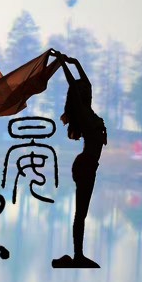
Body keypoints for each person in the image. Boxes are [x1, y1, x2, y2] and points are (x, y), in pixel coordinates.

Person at [49, 51, 106, 268]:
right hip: (85, 166)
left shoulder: (88, 110)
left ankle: (78, 255)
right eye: (81, 90)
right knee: (80, 213)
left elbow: (86, 83)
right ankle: (78, 255)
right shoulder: (81, 112)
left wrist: (76, 62)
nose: (85, 89)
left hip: (89, 166)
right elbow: (74, 85)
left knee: (82, 212)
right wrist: (63, 63)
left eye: (85, 90)